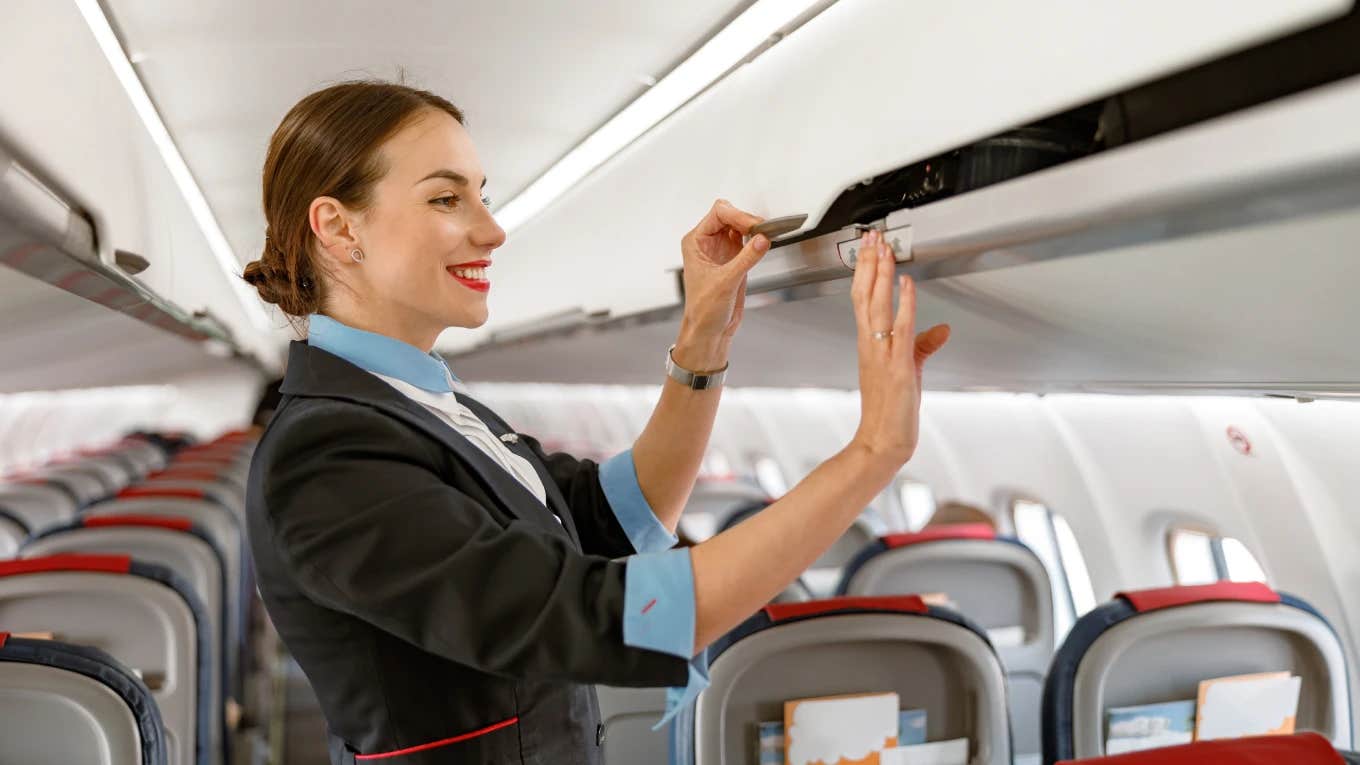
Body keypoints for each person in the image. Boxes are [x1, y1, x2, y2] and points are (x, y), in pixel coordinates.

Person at [241, 80, 949, 765]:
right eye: (447, 197)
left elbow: (614, 516)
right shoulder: (324, 455)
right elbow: (595, 615)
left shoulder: (432, 405)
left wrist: (702, 342)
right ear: (337, 227)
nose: (491, 229)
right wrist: (872, 454)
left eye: (482, 195)